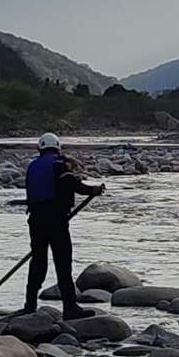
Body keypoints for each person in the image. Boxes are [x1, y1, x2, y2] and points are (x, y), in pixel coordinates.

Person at [23, 132, 105, 320]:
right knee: (62, 261)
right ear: (58, 147)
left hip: (35, 219)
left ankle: (30, 304)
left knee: (38, 262)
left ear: (40, 148)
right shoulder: (58, 163)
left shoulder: (32, 166)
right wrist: (91, 190)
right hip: (55, 219)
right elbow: (68, 183)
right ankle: (69, 307)